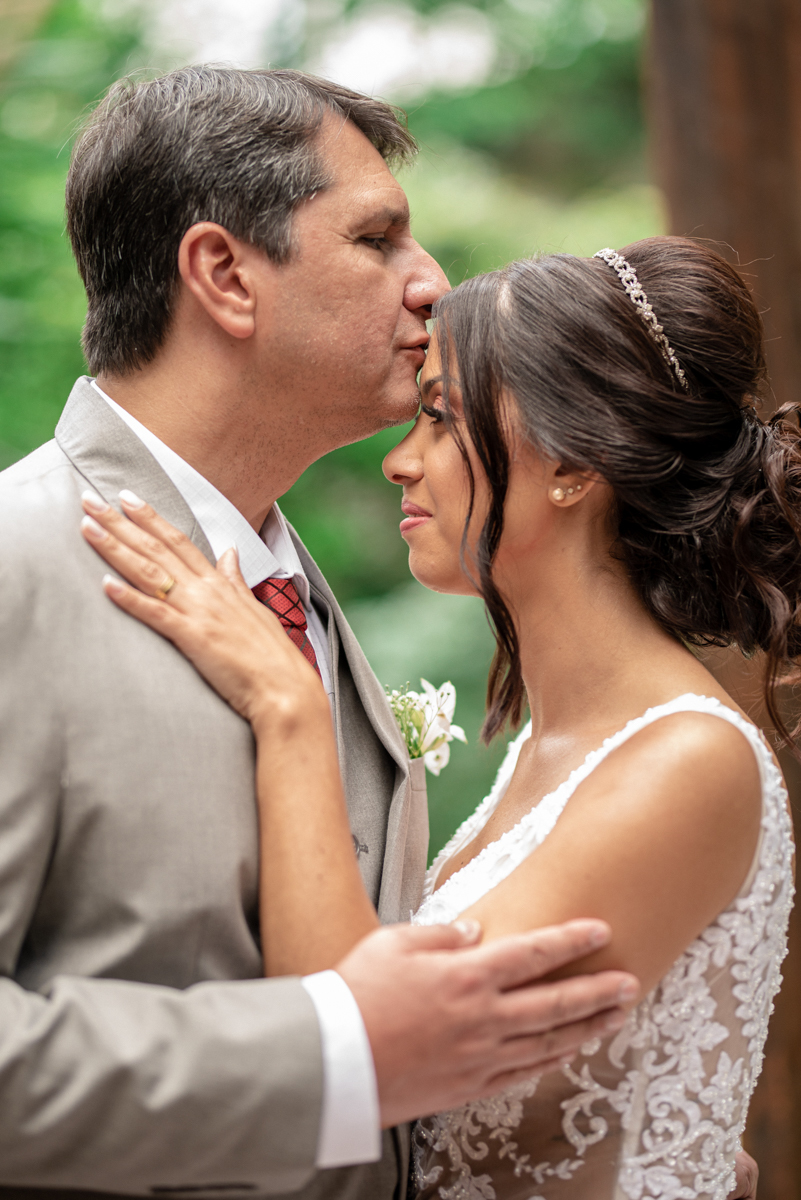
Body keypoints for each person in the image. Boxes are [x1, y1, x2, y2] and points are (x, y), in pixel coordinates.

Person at [0, 66, 646, 1200]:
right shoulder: (17, 567)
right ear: (224, 276)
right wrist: (334, 1054)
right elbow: (364, 1042)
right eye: (377, 239)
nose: (432, 284)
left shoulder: (294, 593)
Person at [79, 236, 794, 1200]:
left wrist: (288, 710)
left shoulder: (687, 763)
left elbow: (366, 1057)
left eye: (440, 419)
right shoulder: (549, 748)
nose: (399, 462)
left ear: (574, 462)